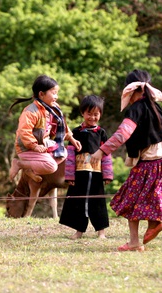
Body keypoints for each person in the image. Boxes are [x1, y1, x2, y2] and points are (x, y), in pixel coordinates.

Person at [91, 69, 162, 252]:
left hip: (152, 162)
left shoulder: (135, 109)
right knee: (150, 198)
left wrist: (101, 152)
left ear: (130, 91)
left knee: (130, 201)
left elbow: (122, 134)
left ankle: (135, 241)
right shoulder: (156, 107)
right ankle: (157, 222)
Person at [8, 75, 81, 183]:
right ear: (41, 94)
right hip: (27, 148)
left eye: (57, 93)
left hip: (44, 144)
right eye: (53, 93)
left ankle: (31, 169)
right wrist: (34, 146)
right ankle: (19, 163)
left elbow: (62, 125)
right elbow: (24, 131)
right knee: (51, 167)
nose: (56, 96)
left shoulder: (54, 107)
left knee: (63, 153)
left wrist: (71, 138)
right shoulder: (30, 111)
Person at [59, 95, 113, 240]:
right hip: (80, 174)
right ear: (82, 113)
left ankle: (101, 232)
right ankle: (79, 231)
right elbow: (70, 155)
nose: (92, 117)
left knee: (98, 202)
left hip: (96, 174)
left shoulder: (102, 133)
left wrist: (107, 174)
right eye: (89, 113)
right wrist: (70, 175)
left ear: (100, 114)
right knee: (79, 202)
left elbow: (106, 154)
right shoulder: (75, 133)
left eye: (96, 114)